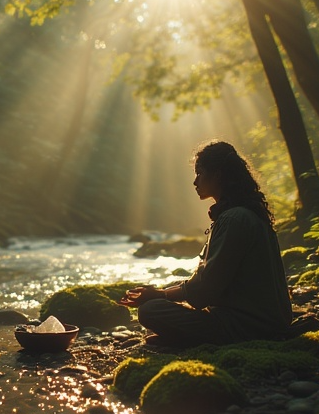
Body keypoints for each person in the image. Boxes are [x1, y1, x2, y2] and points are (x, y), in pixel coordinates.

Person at [119, 140, 292, 346]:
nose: (195, 182)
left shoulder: (233, 219)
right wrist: (164, 292)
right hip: (266, 322)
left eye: (199, 173)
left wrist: (160, 294)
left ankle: (188, 339)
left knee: (150, 310)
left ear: (218, 174)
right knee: (157, 308)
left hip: (246, 328)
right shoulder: (247, 215)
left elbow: (204, 291)